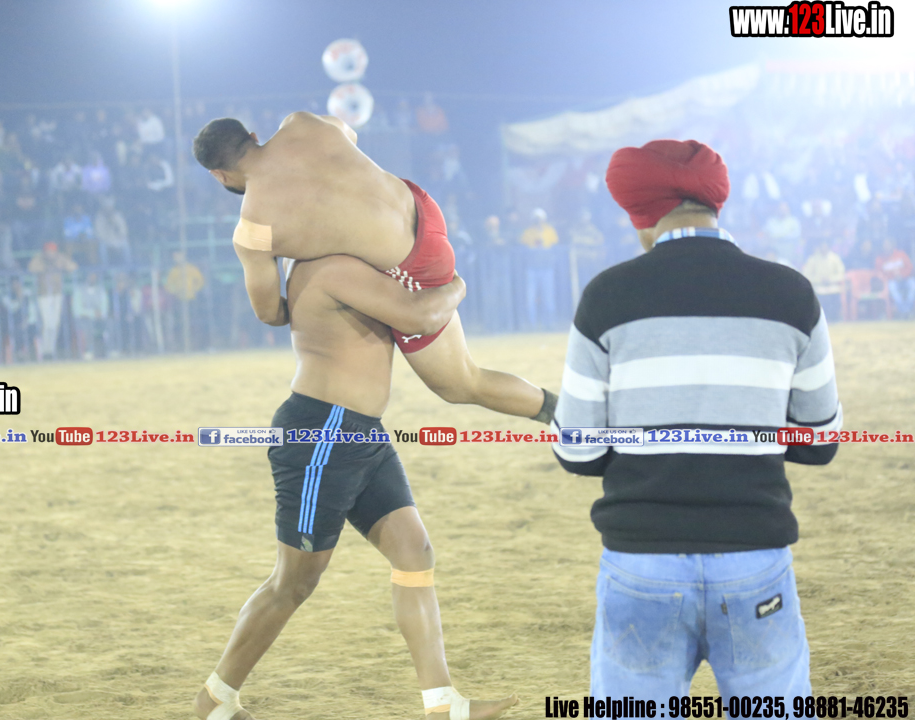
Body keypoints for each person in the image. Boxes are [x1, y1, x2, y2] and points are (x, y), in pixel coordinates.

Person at [555, 140, 841, 699]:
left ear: (641, 214)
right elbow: (820, 440)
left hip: (642, 561)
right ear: (714, 204)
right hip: (754, 556)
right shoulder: (792, 293)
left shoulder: (606, 296)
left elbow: (578, 450)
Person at [193, 255, 517, 720]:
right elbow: (420, 316)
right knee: (294, 581)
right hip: (321, 434)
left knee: (414, 551)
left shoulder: (360, 264)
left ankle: (442, 704)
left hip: (363, 432)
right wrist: (456, 283)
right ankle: (216, 697)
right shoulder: (332, 267)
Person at [192, 114, 556, 424]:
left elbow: (269, 313)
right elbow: (348, 137)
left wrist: (308, 268)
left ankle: (564, 413)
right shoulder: (300, 123)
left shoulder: (254, 230)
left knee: (460, 384)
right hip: (421, 205)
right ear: (253, 136)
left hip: (414, 264)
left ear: (218, 175)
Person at [28, 241, 77, 360]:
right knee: (47, 324)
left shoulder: (60, 258)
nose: (50, 253)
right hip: (43, 295)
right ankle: (44, 350)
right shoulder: (39, 259)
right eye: (48, 251)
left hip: (57, 294)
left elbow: (73, 267)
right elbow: (31, 268)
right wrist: (45, 267)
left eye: (52, 251)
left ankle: (50, 350)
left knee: (55, 324)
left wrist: (61, 264)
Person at [801, 238, 845, 322]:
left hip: (833, 286)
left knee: (834, 297)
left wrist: (830, 279)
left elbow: (841, 274)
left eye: (826, 246)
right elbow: (806, 275)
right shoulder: (813, 259)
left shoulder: (835, 258)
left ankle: (835, 318)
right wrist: (819, 279)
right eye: (822, 246)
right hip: (818, 286)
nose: (824, 248)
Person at [875, 236, 915, 319]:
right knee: (892, 288)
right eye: (885, 245)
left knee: (913, 285)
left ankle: (906, 310)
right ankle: (904, 311)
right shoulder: (880, 259)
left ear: (892, 245)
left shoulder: (901, 254)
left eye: (888, 244)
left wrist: (902, 275)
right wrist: (892, 277)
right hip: (891, 281)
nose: (886, 246)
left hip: (905, 279)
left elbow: (909, 267)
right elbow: (879, 273)